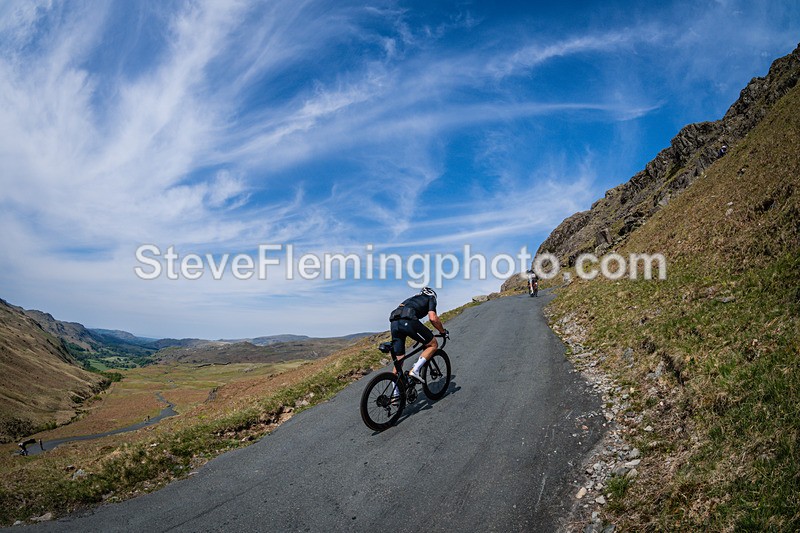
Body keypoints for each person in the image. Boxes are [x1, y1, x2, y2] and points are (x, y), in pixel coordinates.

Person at [388, 287, 448, 384]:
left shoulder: (411, 299)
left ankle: (396, 394)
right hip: (408, 320)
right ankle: (415, 371)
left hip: (394, 323)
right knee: (433, 345)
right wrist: (442, 331)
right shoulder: (430, 297)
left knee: (399, 359)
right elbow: (433, 318)